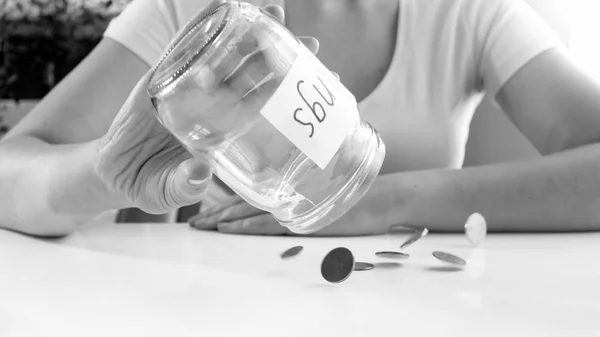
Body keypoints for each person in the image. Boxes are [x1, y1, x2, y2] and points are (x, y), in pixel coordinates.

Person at [2, 0, 600, 237]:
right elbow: (11, 171)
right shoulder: (190, 16)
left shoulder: (468, 11)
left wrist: (386, 201)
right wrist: (103, 177)